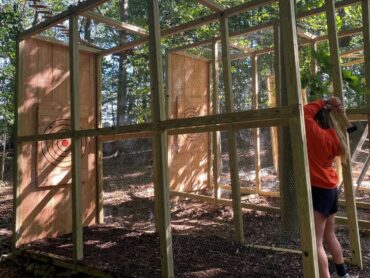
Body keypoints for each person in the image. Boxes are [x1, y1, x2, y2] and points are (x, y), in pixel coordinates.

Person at [304, 97, 350, 278]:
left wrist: (323, 100)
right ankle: (343, 274)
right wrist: (339, 113)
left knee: (315, 242)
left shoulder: (315, 133)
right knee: (330, 235)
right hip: (331, 189)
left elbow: (305, 112)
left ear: (317, 119)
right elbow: (350, 129)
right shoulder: (336, 137)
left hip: (319, 190)